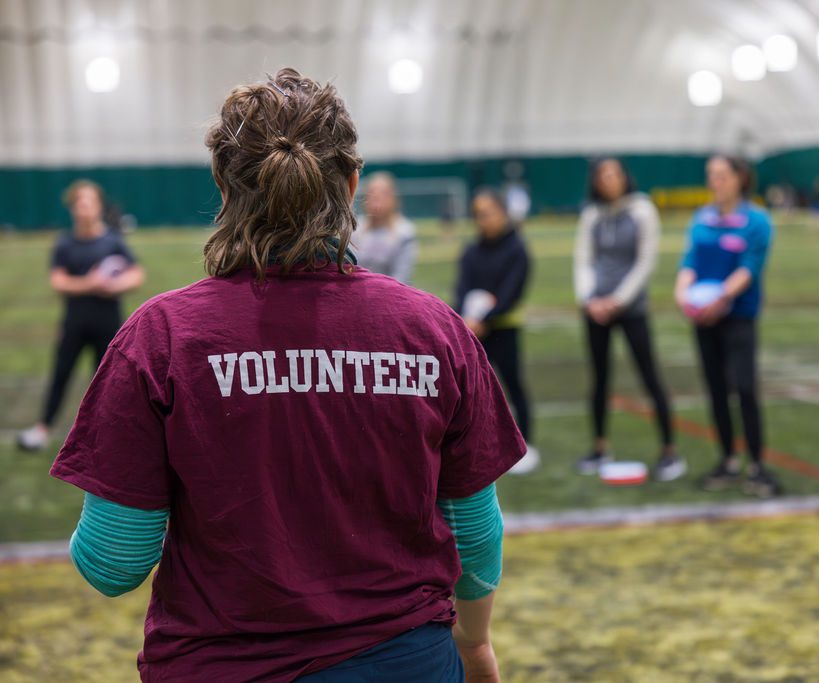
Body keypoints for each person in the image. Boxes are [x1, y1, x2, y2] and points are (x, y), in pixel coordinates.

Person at [49, 68, 523, 682]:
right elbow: (476, 542)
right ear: (352, 185)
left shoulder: (161, 336)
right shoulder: (435, 330)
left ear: (224, 186)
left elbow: (113, 562)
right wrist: (476, 646)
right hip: (407, 664)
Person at [674, 155, 781, 498]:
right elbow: (690, 261)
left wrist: (718, 299)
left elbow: (750, 268)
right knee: (716, 389)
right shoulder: (701, 218)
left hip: (738, 317)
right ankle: (728, 459)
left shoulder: (756, 221)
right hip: (703, 318)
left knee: (745, 389)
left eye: (721, 175)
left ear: (740, 179)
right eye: (711, 175)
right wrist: (682, 294)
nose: (715, 181)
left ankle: (758, 465)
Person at [574, 157, 684, 482]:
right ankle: (599, 447)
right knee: (599, 380)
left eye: (614, 173)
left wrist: (617, 301)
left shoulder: (642, 210)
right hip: (595, 309)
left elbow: (645, 261)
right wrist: (589, 299)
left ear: (625, 177)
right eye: (602, 175)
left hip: (631, 309)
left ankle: (669, 451)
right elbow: (583, 259)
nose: (609, 179)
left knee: (650, 376)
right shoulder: (591, 214)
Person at [16, 180, 145, 452]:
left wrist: (114, 285)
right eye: (80, 203)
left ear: (98, 206)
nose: (85, 208)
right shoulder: (65, 243)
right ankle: (43, 429)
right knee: (61, 374)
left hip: (108, 323)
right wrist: (91, 283)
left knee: (107, 380)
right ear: (73, 208)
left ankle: (106, 435)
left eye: (90, 202)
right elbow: (58, 282)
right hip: (74, 323)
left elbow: (136, 275)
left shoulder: (113, 241)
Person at [456, 189, 539, 474]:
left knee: (513, 383)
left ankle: (526, 443)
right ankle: (479, 445)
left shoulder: (517, 249)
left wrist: (486, 317)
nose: (483, 220)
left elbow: (511, 291)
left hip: (504, 328)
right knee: (474, 389)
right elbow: (462, 287)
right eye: (478, 214)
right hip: (472, 330)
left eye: (488, 213)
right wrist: (465, 319)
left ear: (503, 214)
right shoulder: (471, 250)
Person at [351, 172, 417, 284]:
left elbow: (401, 277)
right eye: (371, 193)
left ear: (393, 198)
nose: (376, 198)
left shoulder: (404, 232)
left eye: (382, 193)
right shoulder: (355, 229)